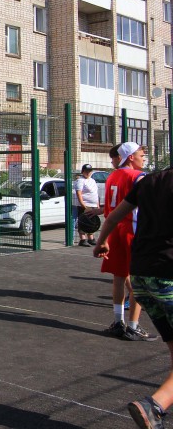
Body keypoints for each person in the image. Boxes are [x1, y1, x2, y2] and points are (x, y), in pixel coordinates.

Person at [93, 166, 173, 428]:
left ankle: (158, 407)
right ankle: (154, 406)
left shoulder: (151, 181)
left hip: (141, 276)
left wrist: (102, 241)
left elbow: (113, 217)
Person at [97, 142, 155, 341]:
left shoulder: (111, 176)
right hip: (133, 230)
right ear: (131, 157)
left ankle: (118, 322)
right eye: (141, 154)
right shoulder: (138, 177)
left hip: (114, 230)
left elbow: (110, 208)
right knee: (139, 281)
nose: (143, 158)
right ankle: (133, 326)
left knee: (119, 277)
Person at [74, 164, 100, 247]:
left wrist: (97, 204)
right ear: (83, 171)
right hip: (85, 205)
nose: (88, 173)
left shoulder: (92, 180)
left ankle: (91, 239)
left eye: (89, 171)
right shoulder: (80, 180)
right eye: (86, 171)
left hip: (93, 205)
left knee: (92, 222)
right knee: (84, 221)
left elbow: (95, 193)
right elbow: (79, 193)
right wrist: (82, 204)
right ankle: (82, 239)